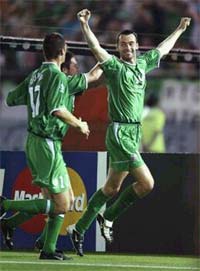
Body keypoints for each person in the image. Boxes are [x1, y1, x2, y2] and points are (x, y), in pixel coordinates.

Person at [67, 9, 191, 257]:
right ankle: (109, 217)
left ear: (137, 45)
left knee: (111, 189)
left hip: (133, 132)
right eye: (124, 44)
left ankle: (79, 229)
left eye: (132, 43)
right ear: (119, 47)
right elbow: (95, 49)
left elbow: (164, 49)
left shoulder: (143, 64)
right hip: (120, 133)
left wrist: (179, 29)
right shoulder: (113, 66)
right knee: (147, 183)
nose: (129, 48)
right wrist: (84, 25)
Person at [0, 32, 102, 260]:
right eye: (73, 63)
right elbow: (57, 109)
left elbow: (10, 99)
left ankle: (44, 246)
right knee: (62, 203)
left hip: (37, 141)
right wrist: (79, 125)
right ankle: (5, 204)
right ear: (63, 52)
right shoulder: (57, 77)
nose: (75, 68)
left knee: (59, 199)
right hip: (46, 142)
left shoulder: (36, 76)